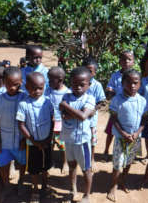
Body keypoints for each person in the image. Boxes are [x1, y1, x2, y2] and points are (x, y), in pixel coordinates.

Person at [107, 69, 147, 202]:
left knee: (129, 161)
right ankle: (113, 186)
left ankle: (123, 181)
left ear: (140, 84)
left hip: (135, 138)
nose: (132, 86)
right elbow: (113, 118)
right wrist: (123, 133)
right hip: (120, 137)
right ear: (123, 83)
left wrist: (137, 133)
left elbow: (144, 120)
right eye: (128, 83)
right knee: (118, 163)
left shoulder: (142, 100)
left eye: (136, 83)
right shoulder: (117, 100)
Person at [59, 67, 95, 203]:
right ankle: (73, 189)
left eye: (82, 84)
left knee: (86, 169)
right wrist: (76, 113)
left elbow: (82, 116)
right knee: (72, 166)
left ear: (89, 85)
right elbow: (63, 115)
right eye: (75, 84)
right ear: (70, 83)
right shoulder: (66, 96)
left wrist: (66, 107)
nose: (78, 87)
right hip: (69, 140)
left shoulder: (89, 98)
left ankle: (86, 195)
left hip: (82, 142)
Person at [17, 72, 54, 202]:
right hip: (32, 144)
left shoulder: (48, 102)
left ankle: (45, 185)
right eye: (34, 88)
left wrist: (49, 138)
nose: (37, 91)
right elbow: (21, 125)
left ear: (44, 86)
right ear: (27, 87)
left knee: (46, 166)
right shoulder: (23, 104)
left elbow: (52, 121)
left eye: (40, 88)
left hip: (47, 142)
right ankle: (35, 188)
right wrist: (32, 140)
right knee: (33, 169)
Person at [0, 66, 27, 199]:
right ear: (4, 82)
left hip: (20, 140)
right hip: (5, 139)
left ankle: (21, 182)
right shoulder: (0, 99)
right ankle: (6, 185)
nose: (13, 87)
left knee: (23, 163)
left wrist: (25, 139)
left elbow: (28, 122)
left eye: (16, 84)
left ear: (21, 82)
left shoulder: (25, 97)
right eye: (9, 84)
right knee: (3, 163)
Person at [103, 51, 134, 162]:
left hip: (130, 109)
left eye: (129, 59)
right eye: (124, 59)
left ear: (133, 62)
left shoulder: (134, 76)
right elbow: (110, 88)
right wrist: (111, 92)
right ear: (120, 61)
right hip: (116, 108)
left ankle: (129, 153)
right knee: (111, 131)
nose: (126, 61)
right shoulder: (115, 76)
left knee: (129, 130)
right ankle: (106, 150)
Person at [45, 66, 70, 174]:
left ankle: (65, 163)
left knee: (63, 145)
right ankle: (51, 161)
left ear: (60, 80)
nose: (48, 82)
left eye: (51, 80)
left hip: (62, 123)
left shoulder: (67, 93)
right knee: (50, 144)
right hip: (50, 123)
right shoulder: (48, 90)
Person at [82, 58, 106, 172]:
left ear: (95, 72)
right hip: (79, 117)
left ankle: (92, 159)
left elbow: (102, 101)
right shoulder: (78, 82)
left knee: (92, 139)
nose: (88, 73)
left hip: (91, 118)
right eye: (85, 70)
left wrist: (94, 109)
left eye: (90, 71)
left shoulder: (97, 85)